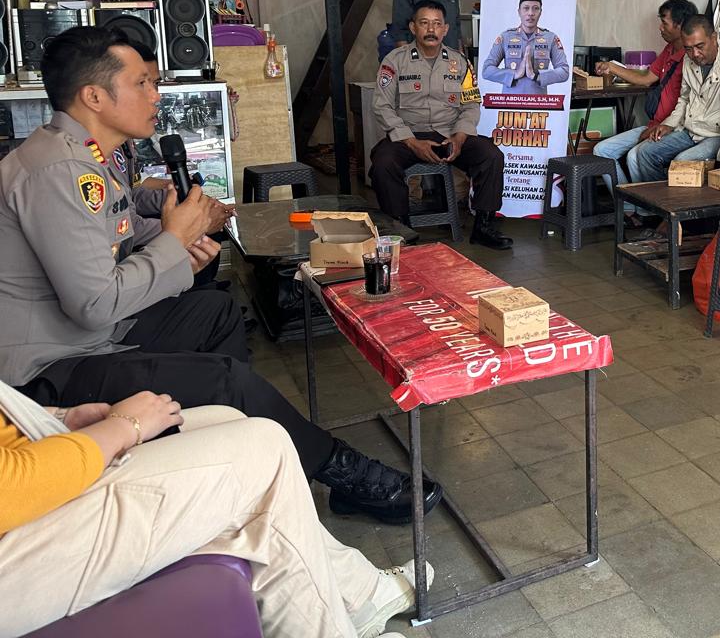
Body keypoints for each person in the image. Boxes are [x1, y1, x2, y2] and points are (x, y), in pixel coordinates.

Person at [0, 27, 440, 526]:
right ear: (94, 97)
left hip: (91, 334)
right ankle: (346, 475)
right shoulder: (58, 171)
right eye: (141, 83)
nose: (155, 95)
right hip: (52, 366)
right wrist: (174, 240)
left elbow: (122, 232)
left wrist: (182, 233)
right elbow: (95, 303)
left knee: (215, 311)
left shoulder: (88, 155)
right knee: (226, 379)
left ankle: (234, 449)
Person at [0, 384, 422, 638]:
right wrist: (124, 427)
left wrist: (59, 417)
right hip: (16, 525)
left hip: (29, 461)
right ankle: (350, 606)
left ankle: (356, 597)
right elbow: (12, 490)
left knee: (227, 418)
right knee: (262, 447)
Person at [370, 0, 512, 250]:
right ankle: (400, 229)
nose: (431, 30)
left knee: (491, 156)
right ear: (413, 27)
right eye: (424, 23)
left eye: (437, 24)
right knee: (383, 162)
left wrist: (460, 137)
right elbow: (382, 106)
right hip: (409, 136)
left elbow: (471, 104)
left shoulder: (460, 62)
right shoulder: (395, 61)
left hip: (449, 134)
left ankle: (484, 226)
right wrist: (411, 142)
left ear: (445, 29)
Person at [118, 38, 234, 287]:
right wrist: (192, 226)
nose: (155, 96)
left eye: (155, 84)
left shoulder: (121, 144)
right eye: (142, 84)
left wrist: (182, 200)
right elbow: (126, 225)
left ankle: (204, 292)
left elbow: (132, 193)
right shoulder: (86, 159)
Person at [590, 0, 698, 220]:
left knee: (634, 155)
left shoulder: (692, 59)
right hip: (654, 125)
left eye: (664, 23)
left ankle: (649, 213)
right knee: (602, 151)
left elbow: (689, 106)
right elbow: (646, 78)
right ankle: (630, 209)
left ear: (680, 25)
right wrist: (612, 67)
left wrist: (662, 127)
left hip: (673, 128)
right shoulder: (668, 50)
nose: (660, 28)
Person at [628, 14, 720, 181]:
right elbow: (684, 99)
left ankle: (671, 195)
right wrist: (669, 124)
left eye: (700, 46)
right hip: (691, 130)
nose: (695, 54)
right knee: (645, 153)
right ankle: (660, 196)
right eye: (688, 48)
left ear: (714, 38)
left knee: (682, 162)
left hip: (718, 135)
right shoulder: (689, 59)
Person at [481, 0, 570, 94]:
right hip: (510, 102)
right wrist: (514, 74)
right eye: (526, 8)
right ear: (519, 12)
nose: (531, 13)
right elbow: (487, 70)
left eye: (535, 8)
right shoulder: (506, 37)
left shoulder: (551, 38)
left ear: (541, 12)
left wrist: (536, 76)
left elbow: (564, 71)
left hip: (538, 102)